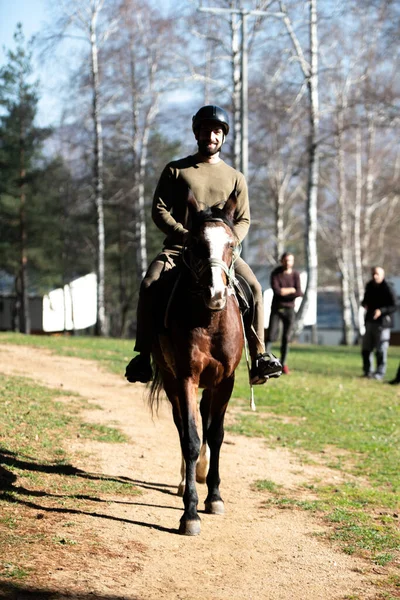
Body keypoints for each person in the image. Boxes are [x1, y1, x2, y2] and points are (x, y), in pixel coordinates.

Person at [125, 105, 282, 385]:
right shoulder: (176, 170)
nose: (212, 136)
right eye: (207, 130)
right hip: (179, 250)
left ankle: (259, 357)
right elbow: (159, 210)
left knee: (256, 289)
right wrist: (184, 235)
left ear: (223, 137)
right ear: (197, 133)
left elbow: (243, 219)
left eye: (217, 131)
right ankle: (143, 356)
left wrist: (228, 244)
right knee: (149, 284)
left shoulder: (236, 178)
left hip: (222, 254)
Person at [265, 252, 303, 374]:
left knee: (286, 337)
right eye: (286, 260)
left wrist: (285, 291)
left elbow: (299, 292)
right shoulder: (276, 274)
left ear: (293, 262)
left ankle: (283, 364)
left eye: (290, 260)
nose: (288, 263)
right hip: (277, 308)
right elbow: (277, 291)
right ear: (282, 261)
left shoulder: (296, 275)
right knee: (271, 335)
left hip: (290, 309)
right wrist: (291, 290)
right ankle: (265, 362)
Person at [361, 266, 396, 380]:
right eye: (373, 274)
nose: (375, 276)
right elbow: (365, 300)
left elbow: (394, 305)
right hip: (370, 321)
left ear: (382, 275)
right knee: (366, 348)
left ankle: (379, 373)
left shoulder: (388, 288)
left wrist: (381, 311)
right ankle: (368, 371)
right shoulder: (369, 286)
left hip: (383, 323)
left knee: (381, 349)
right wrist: (364, 304)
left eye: (377, 274)